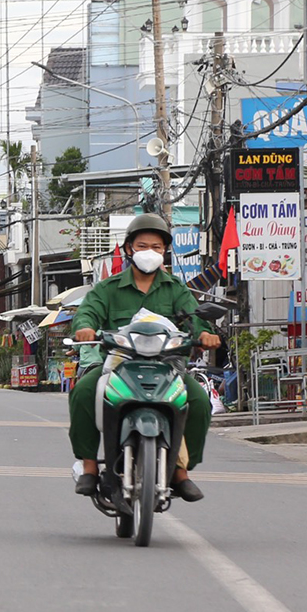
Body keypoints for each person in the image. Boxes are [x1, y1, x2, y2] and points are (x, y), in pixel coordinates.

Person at [70, 213, 220, 501]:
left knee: (199, 402)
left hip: (167, 367)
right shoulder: (108, 288)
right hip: (117, 364)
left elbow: (194, 318)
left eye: (156, 247)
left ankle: (181, 472)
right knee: (83, 392)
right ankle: (89, 465)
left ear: (164, 252)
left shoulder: (176, 289)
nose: (149, 252)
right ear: (129, 249)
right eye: (142, 246)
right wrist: (86, 328)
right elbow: (88, 311)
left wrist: (205, 335)